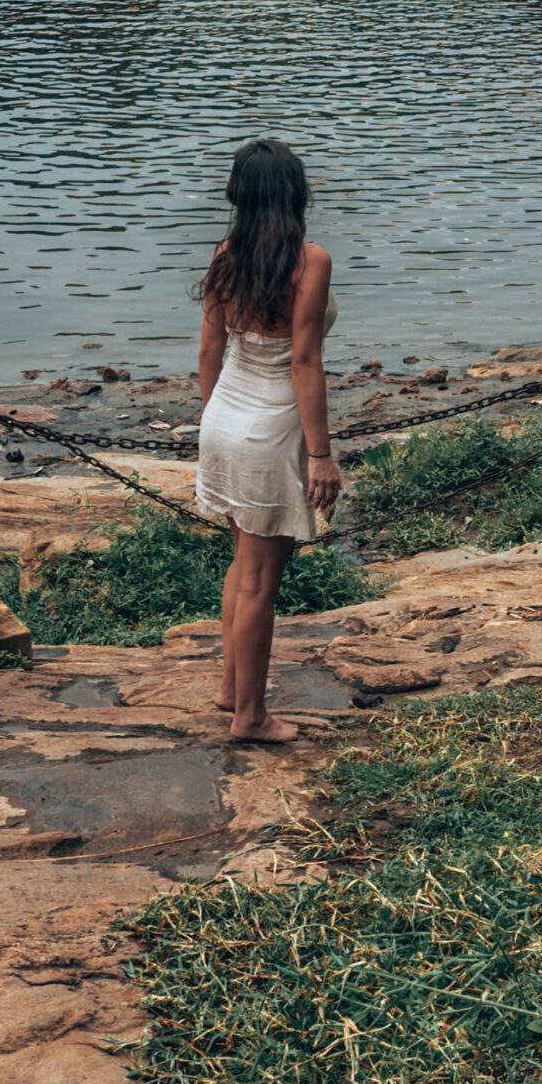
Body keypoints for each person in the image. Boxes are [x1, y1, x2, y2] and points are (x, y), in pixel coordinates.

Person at [193, 139, 340, 743]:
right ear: (297, 195)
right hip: (271, 428)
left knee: (244, 565)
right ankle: (250, 717)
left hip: (224, 418)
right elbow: (304, 362)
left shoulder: (226, 254)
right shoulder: (310, 262)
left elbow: (208, 351)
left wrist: (214, 425)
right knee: (260, 580)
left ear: (239, 197)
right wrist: (322, 454)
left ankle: (232, 686)